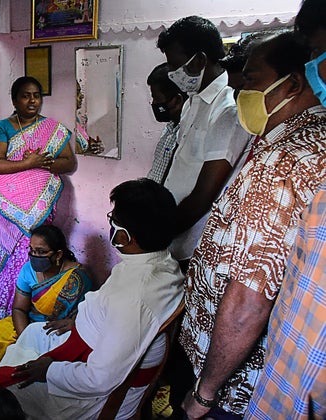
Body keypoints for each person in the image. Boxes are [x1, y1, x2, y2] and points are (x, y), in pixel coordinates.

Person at [179, 31, 326, 419]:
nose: (242, 90)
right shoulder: (301, 139)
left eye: (252, 79)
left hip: (236, 382)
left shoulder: (285, 160)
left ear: (294, 83)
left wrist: (205, 394)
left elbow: (249, 297)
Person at [0, 178, 184, 419]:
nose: (111, 224)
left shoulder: (136, 298)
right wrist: (79, 322)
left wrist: (49, 370)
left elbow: (100, 379)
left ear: (126, 236)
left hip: (91, 393)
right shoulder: (158, 263)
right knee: (33, 334)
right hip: (90, 340)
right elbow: (112, 313)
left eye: (114, 220)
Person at [245, 1, 326, 417]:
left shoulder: (294, 155)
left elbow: (253, 288)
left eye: (319, 57)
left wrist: (205, 391)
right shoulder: (275, 143)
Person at [157, 16, 250, 266]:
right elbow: (179, 161)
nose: (172, 74)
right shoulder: (192, 101)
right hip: (173, 232)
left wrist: (157, 235)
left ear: (198, 60)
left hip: (194, 241)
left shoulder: (228, 109)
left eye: (175, 66)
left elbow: (205, 192)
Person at [0, 76, 76, 322]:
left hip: (42, 206)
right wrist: (28, 162)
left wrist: (42, 163)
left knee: (36, 254)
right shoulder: (2, 128)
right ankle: (6, 308)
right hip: (10, 207)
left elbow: (68, 163)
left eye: (36, 95)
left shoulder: (53, 129)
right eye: (26, 95)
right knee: (14, 253)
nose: (33, 100)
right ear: (15, 100)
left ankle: (33, 306)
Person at [0, 225, 93, 381]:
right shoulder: (28, 269)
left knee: (60, 354)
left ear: (58, 254)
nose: (34, 256)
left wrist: (71, 323)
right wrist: (25, 338)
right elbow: (19, 309)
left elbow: (83, 316)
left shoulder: (78, 278)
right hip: (30, 322)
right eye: (32, 250)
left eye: (41, 252)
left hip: (57, 329)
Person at [146, 63, 186, 185]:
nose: (154, 103)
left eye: (157, 99)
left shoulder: (186, 135)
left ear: (177, 101)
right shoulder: (169, 128)